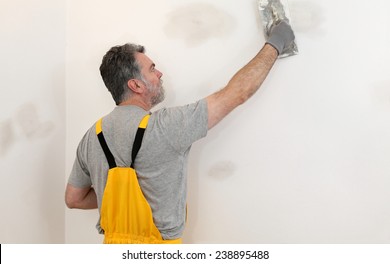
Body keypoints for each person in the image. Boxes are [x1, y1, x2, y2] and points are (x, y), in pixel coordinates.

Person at [65, 20, 295, 243]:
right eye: (152, 69)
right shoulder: (166, 126)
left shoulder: (91, 136)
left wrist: (110, 193)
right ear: (136, 85)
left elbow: (73, 199)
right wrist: (276, 41)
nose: (160, 74)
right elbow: (237, 93)